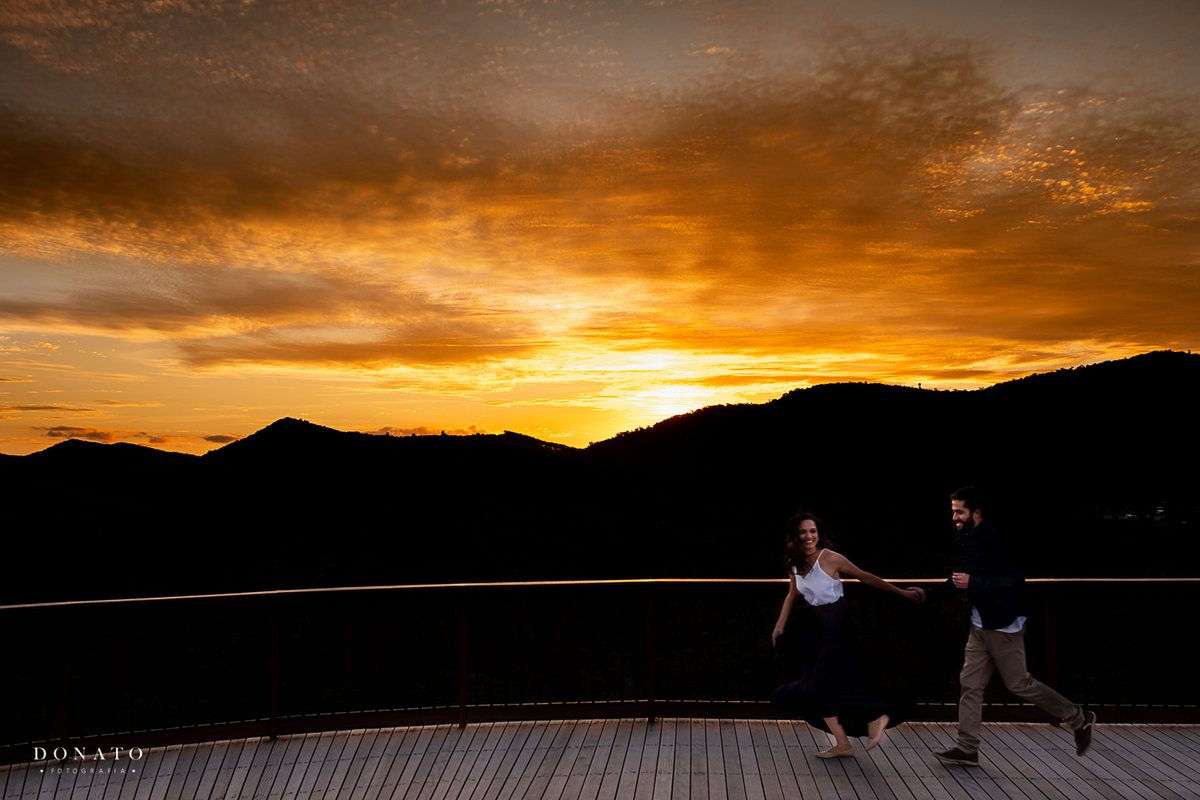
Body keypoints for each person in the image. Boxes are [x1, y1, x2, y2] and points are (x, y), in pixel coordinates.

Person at [909, 487, 1096, 766]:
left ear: (977, 513)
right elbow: (960, 580)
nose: (955, 517)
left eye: (959, 512)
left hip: (1002, 626)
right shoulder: (967, 539)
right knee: (970, 686)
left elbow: (1014, 580)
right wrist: (928, 594)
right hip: (979, 624)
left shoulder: (993, 539)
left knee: (1019, 684)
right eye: (954, 512)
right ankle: (967, 747)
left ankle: (1077, 718)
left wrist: (976, 583)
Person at [771, 510, 922, 758]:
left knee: (823, 683)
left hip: (836, 621)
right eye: (803, 532)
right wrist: (779, 626)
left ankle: (875, 716)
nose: (809, 536)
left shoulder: (830, 558)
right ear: (795, 536)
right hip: (814, 624)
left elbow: (865, 577)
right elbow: (793, 594)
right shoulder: (793, 562)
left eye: (813, 531)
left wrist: (903, 593)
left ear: (819, 534)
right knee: (814, 686)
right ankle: (843, 744)